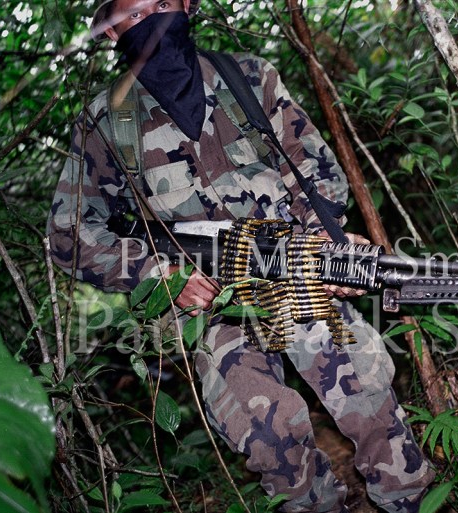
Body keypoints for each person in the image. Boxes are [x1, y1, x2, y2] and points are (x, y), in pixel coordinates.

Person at [47, 0, 434, 511]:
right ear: (109, 32)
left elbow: (315, 173)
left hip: (294, 270)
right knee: (268, 433)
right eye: (135, 16)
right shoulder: (105, 123)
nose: (156, 23)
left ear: (187, 4)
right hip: (207, 306)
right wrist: (157, 274)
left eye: (163, 4)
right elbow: (68, 235)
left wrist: (329, 246)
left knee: (367, 395)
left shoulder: (248, 77)